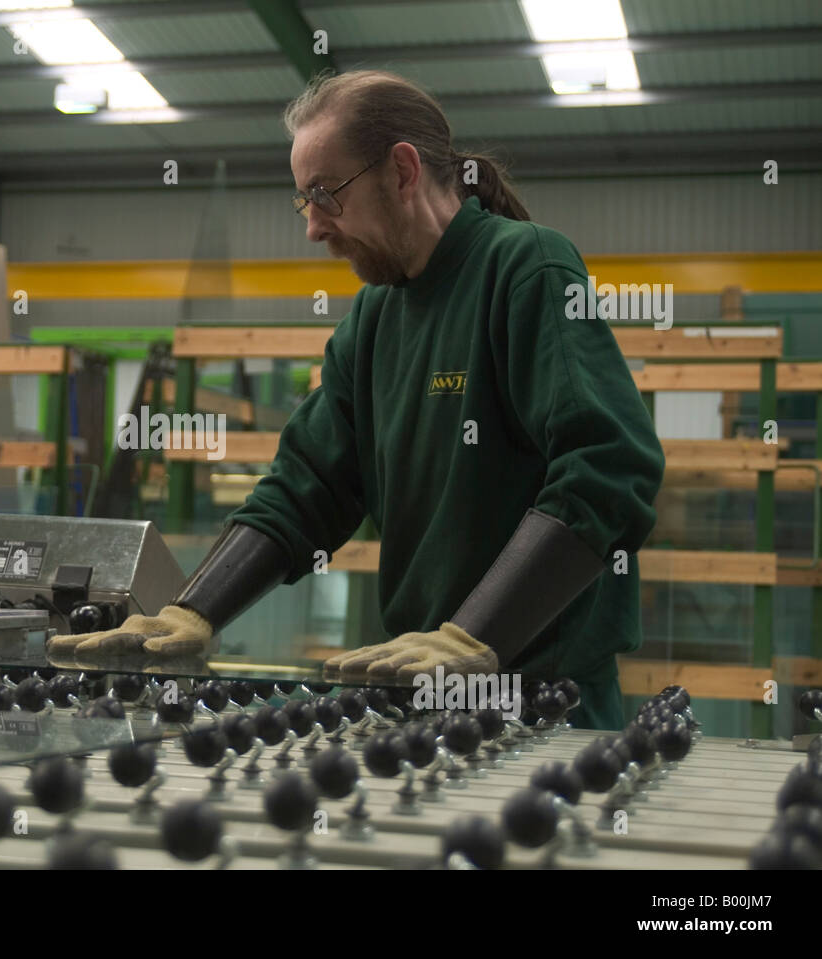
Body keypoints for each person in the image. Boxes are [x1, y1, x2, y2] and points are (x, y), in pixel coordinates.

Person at [48, 70, 665, 730]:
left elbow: (608, 463)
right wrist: (194, 609)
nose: (314, 227)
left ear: (402, 171)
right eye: (303, 201)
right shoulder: (371, 323)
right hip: (421, 689)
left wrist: (474, 635)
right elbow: (308, 484)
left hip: (547, 706)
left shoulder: (525, 269)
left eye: (326, 194)